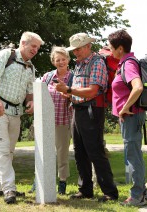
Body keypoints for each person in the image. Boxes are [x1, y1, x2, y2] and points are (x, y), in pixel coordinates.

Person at [55, 32, 118, 202]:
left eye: (78, 49)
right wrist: (69, 95)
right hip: (77, 109)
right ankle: (85, 190)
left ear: (89, 46)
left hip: (92, 110)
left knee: (95, 151)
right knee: (79, 151)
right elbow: (79, 89)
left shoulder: (97, 63)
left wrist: (68, 90)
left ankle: (110, 193)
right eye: (74, 50)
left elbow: (92, 91)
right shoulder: (79, 64)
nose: (75, 52)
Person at [0, 31, 44, 204]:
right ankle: (10, 189)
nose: (35, 50)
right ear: (23, 43)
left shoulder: (30, 67)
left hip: (15, 112)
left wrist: (30, 102)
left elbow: (29, 91)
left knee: (9, 150)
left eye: (38, 48)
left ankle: (0, 187)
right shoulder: (5, 55)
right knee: (2, 149)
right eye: (33, 46)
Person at [107, 29, 147, 206]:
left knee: (132, 156)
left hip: (131, 116)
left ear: (119, 48)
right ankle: (143, 191)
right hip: (133, 116)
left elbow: (138, 87)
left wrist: (124, 108)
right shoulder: (125, 62)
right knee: (135, 154)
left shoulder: (128, 64)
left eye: (111, 48)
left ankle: (136, 196)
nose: (110, 51)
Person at [29, 46, 73, 195]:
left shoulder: (73, 77)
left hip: (63, 121)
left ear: (68, 60)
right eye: (57, 60)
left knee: (62, 154)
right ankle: (39, 180)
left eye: (63, 59)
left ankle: (62, 183)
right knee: (43, 152)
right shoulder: (47, 77)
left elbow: (77, 97)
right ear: (53, 62)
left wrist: (68, 94)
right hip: (45, 121)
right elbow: (38, 94)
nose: (60, 62)